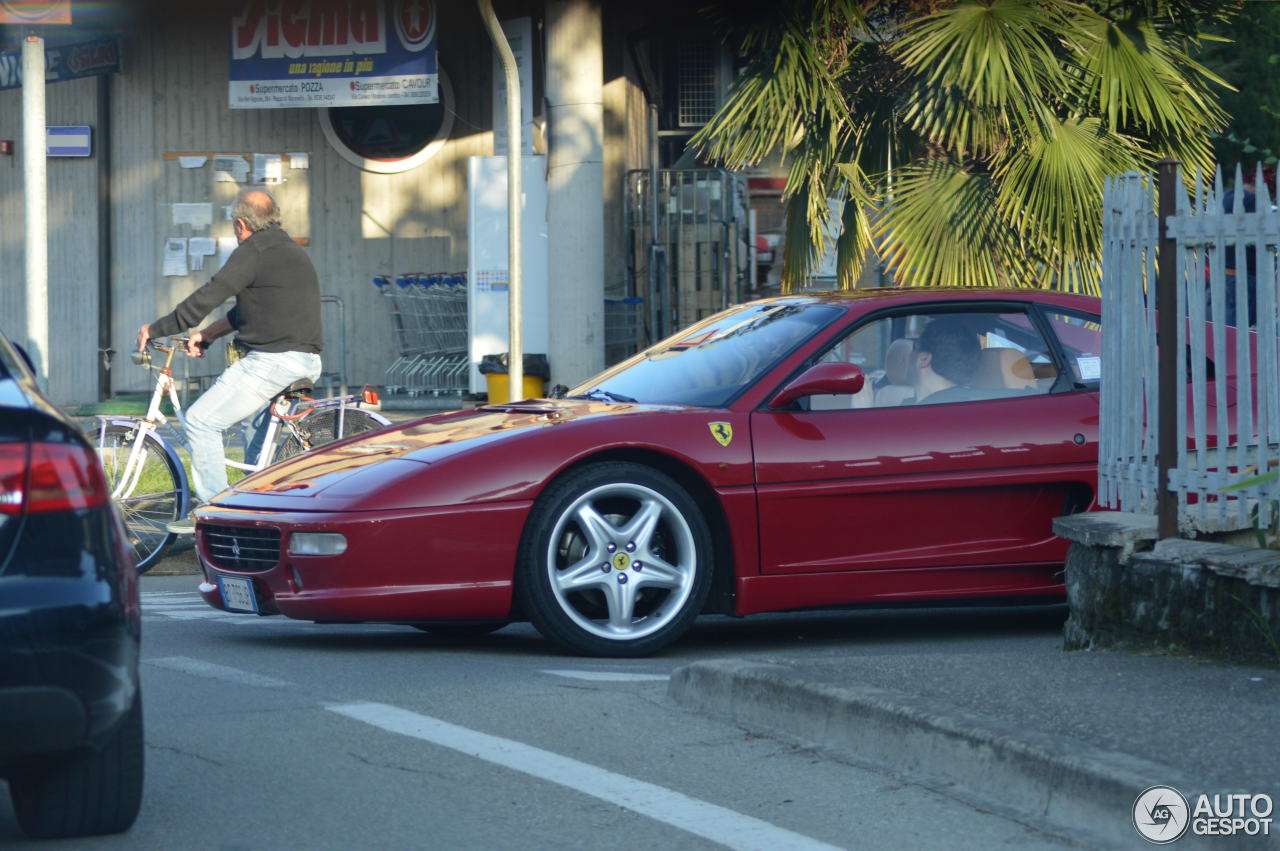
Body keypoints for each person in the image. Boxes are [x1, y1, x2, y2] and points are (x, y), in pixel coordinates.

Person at [136, 188, 323, 533]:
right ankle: (258, 521)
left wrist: (158, 329)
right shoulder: (287, 249)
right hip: (302, 359)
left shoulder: (253, 251)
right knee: (257, 461)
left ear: (240, 224)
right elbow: (251, 309)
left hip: (274, 361)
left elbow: (208, 295)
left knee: (202, 421)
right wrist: (209, 334)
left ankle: (217, 516)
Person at [910, 318, 980, 405]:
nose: (908, 354)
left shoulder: (927, 412)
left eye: (914, 347)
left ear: (924, 359)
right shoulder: (970, 406)